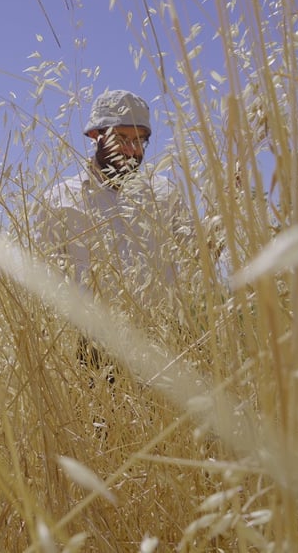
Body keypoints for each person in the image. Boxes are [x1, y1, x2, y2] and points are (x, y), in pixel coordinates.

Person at [37, 89, 191, 378]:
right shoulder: (60, 199)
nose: (133, 151)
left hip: (161, 346)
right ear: (96, 136)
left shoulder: (165, 194)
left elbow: (199, 256)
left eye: (139, 140)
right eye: (122, 139)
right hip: (89, 357)